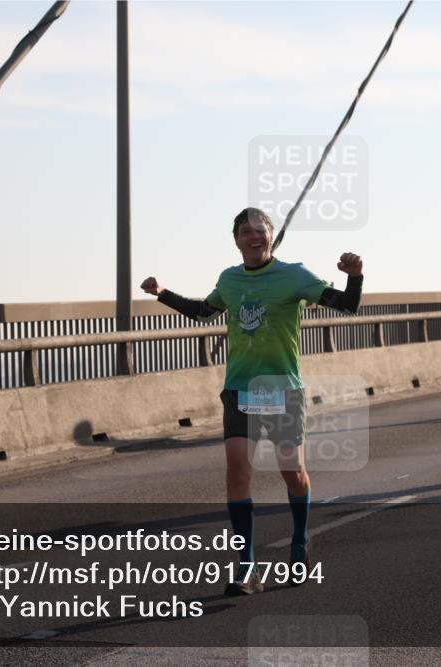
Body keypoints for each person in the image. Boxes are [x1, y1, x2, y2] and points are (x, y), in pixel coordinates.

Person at [140, 207, 363, 596]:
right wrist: (162, 294)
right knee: (237, 470)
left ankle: (300, 541)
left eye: (260, 229)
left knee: (292, 471)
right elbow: (202, 312)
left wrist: (355, 276)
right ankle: (247, 565)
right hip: (240, 389)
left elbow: (347, 304)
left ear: (271, 235)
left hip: (282, 389)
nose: (253, 236)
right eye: (245, 231)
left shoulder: (295, 275)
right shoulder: (229, 279)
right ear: (236, 240)